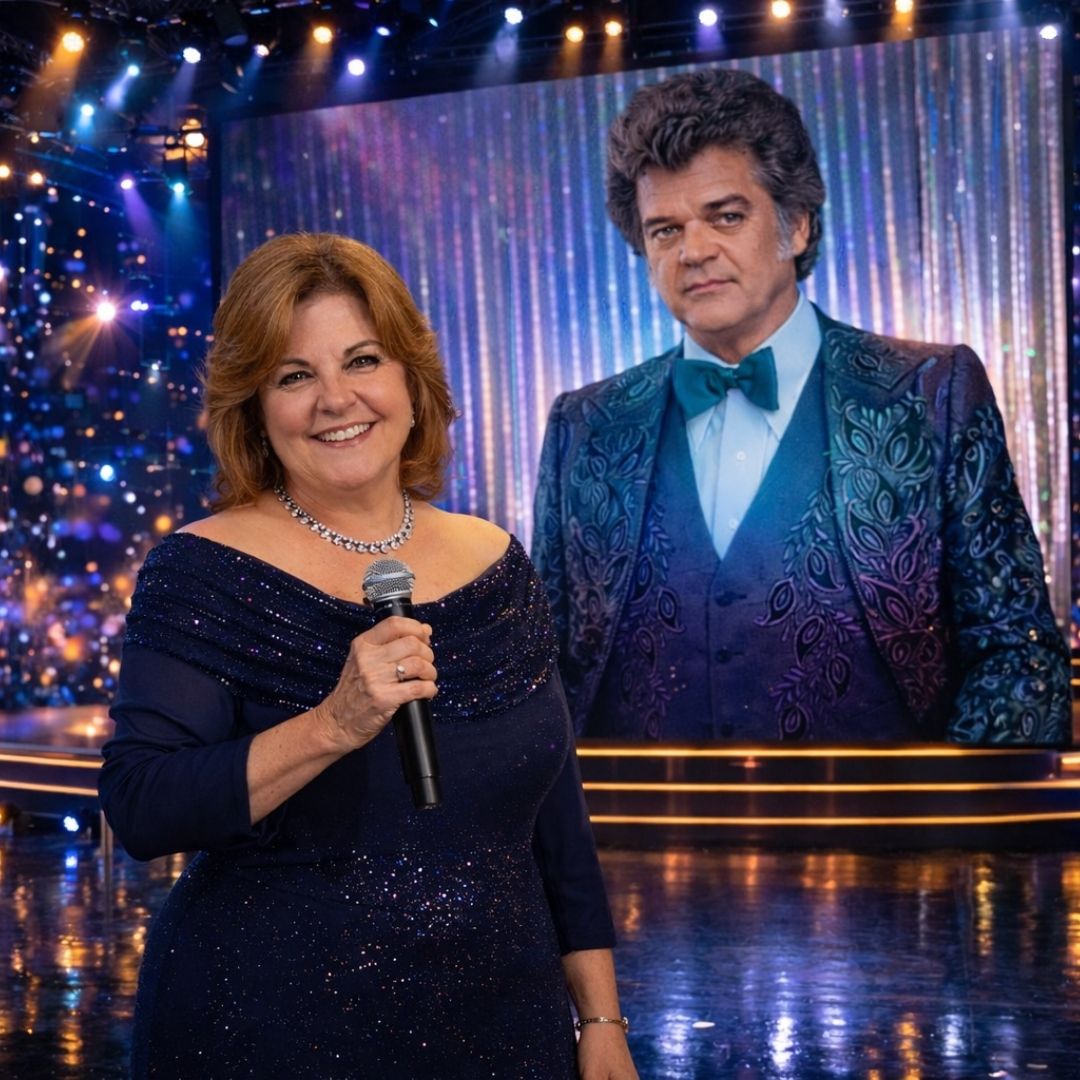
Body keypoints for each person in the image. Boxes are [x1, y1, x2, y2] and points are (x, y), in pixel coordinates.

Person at [99, 232, 638, 1080]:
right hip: (270, 1029)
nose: (335, 399)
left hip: (506, 1022)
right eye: (293, 375)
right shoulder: (200, 569)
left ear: (412, 382)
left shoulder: (499, 562)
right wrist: (333, 724)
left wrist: (601, 1016)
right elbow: (142, 806)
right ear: (255, 407)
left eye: (362, 360)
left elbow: (556, 818)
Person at [532, 68, 1070, 745]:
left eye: (726, 216)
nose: (693, 251)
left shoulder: (932, 392)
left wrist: (937, 804)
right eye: (665, 230)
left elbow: (1018, 659)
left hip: (891, 817)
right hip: (633, 815)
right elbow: (540, 674)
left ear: (797, 227)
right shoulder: (584, 426)